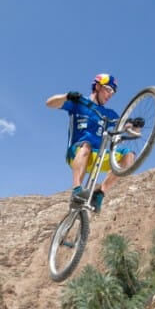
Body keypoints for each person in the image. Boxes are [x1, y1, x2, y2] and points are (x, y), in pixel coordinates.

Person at [45, 73, 135, 213]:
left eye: (113, 92)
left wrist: (134, 124)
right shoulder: (80, 103)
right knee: (86, 145)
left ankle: (100, 193)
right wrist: (67, 96)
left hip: (97, 157)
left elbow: (124, 125)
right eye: (108, 89)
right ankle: (77, 191)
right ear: (98, 86)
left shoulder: (108, 113)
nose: (110, 94)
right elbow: (49, 103)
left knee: (129, 156)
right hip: (76, 153)